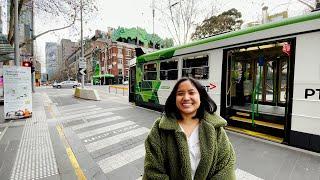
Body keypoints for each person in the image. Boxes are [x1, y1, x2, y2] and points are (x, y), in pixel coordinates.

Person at [143, 77, 236, 180]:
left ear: (201, 97)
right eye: (180, 93)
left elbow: (226, 169)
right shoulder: (159, 129)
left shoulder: (216, 129)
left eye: (191, 93)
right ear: (174, 98)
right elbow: (153, 170)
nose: (186, 97)